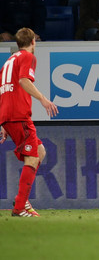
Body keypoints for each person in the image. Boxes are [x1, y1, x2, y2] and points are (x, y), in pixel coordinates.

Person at [0, 28, 59, 217]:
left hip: (8, 115)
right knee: (33, 157)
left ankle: (23, 200)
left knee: (39, 151)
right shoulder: (27, 57)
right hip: (19, 115)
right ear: (33, 41)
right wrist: (43, 98)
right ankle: (19, 206)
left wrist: (3, 122)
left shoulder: (8, 61)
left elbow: (3, 89)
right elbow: (24, 80)